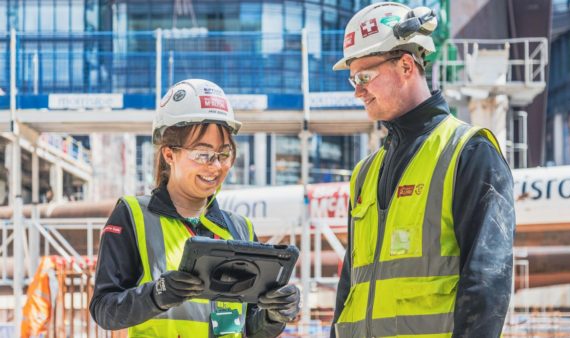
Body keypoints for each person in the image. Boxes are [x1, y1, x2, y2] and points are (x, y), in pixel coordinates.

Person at [330, 3, 515, 337]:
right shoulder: (365, 173)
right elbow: (349, 288)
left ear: (404, 66)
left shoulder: (469, 152)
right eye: (352, 78)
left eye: (364, 77)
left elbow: (487, 283)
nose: (357, 90)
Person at [90, 79, 300, 337]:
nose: (215, 166)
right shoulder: (133, 216)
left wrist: (274, 313)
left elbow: (249, 329)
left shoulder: (240, 228)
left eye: (224, 154)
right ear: (169, 154)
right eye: (202, 154)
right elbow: (104, 310)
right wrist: (157, 294)